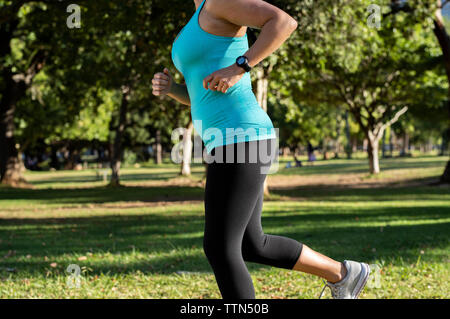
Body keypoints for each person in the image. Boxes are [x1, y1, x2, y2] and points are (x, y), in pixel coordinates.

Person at [152, 0, 370, 299]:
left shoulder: (219, 3)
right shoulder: (197, 15)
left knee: (219, 247)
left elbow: (282, 22)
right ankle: (344, 274)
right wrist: (172, 89)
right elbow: (206, 91)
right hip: (226, 139)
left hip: (242, 135)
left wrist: (241, 66)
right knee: (251, 244)